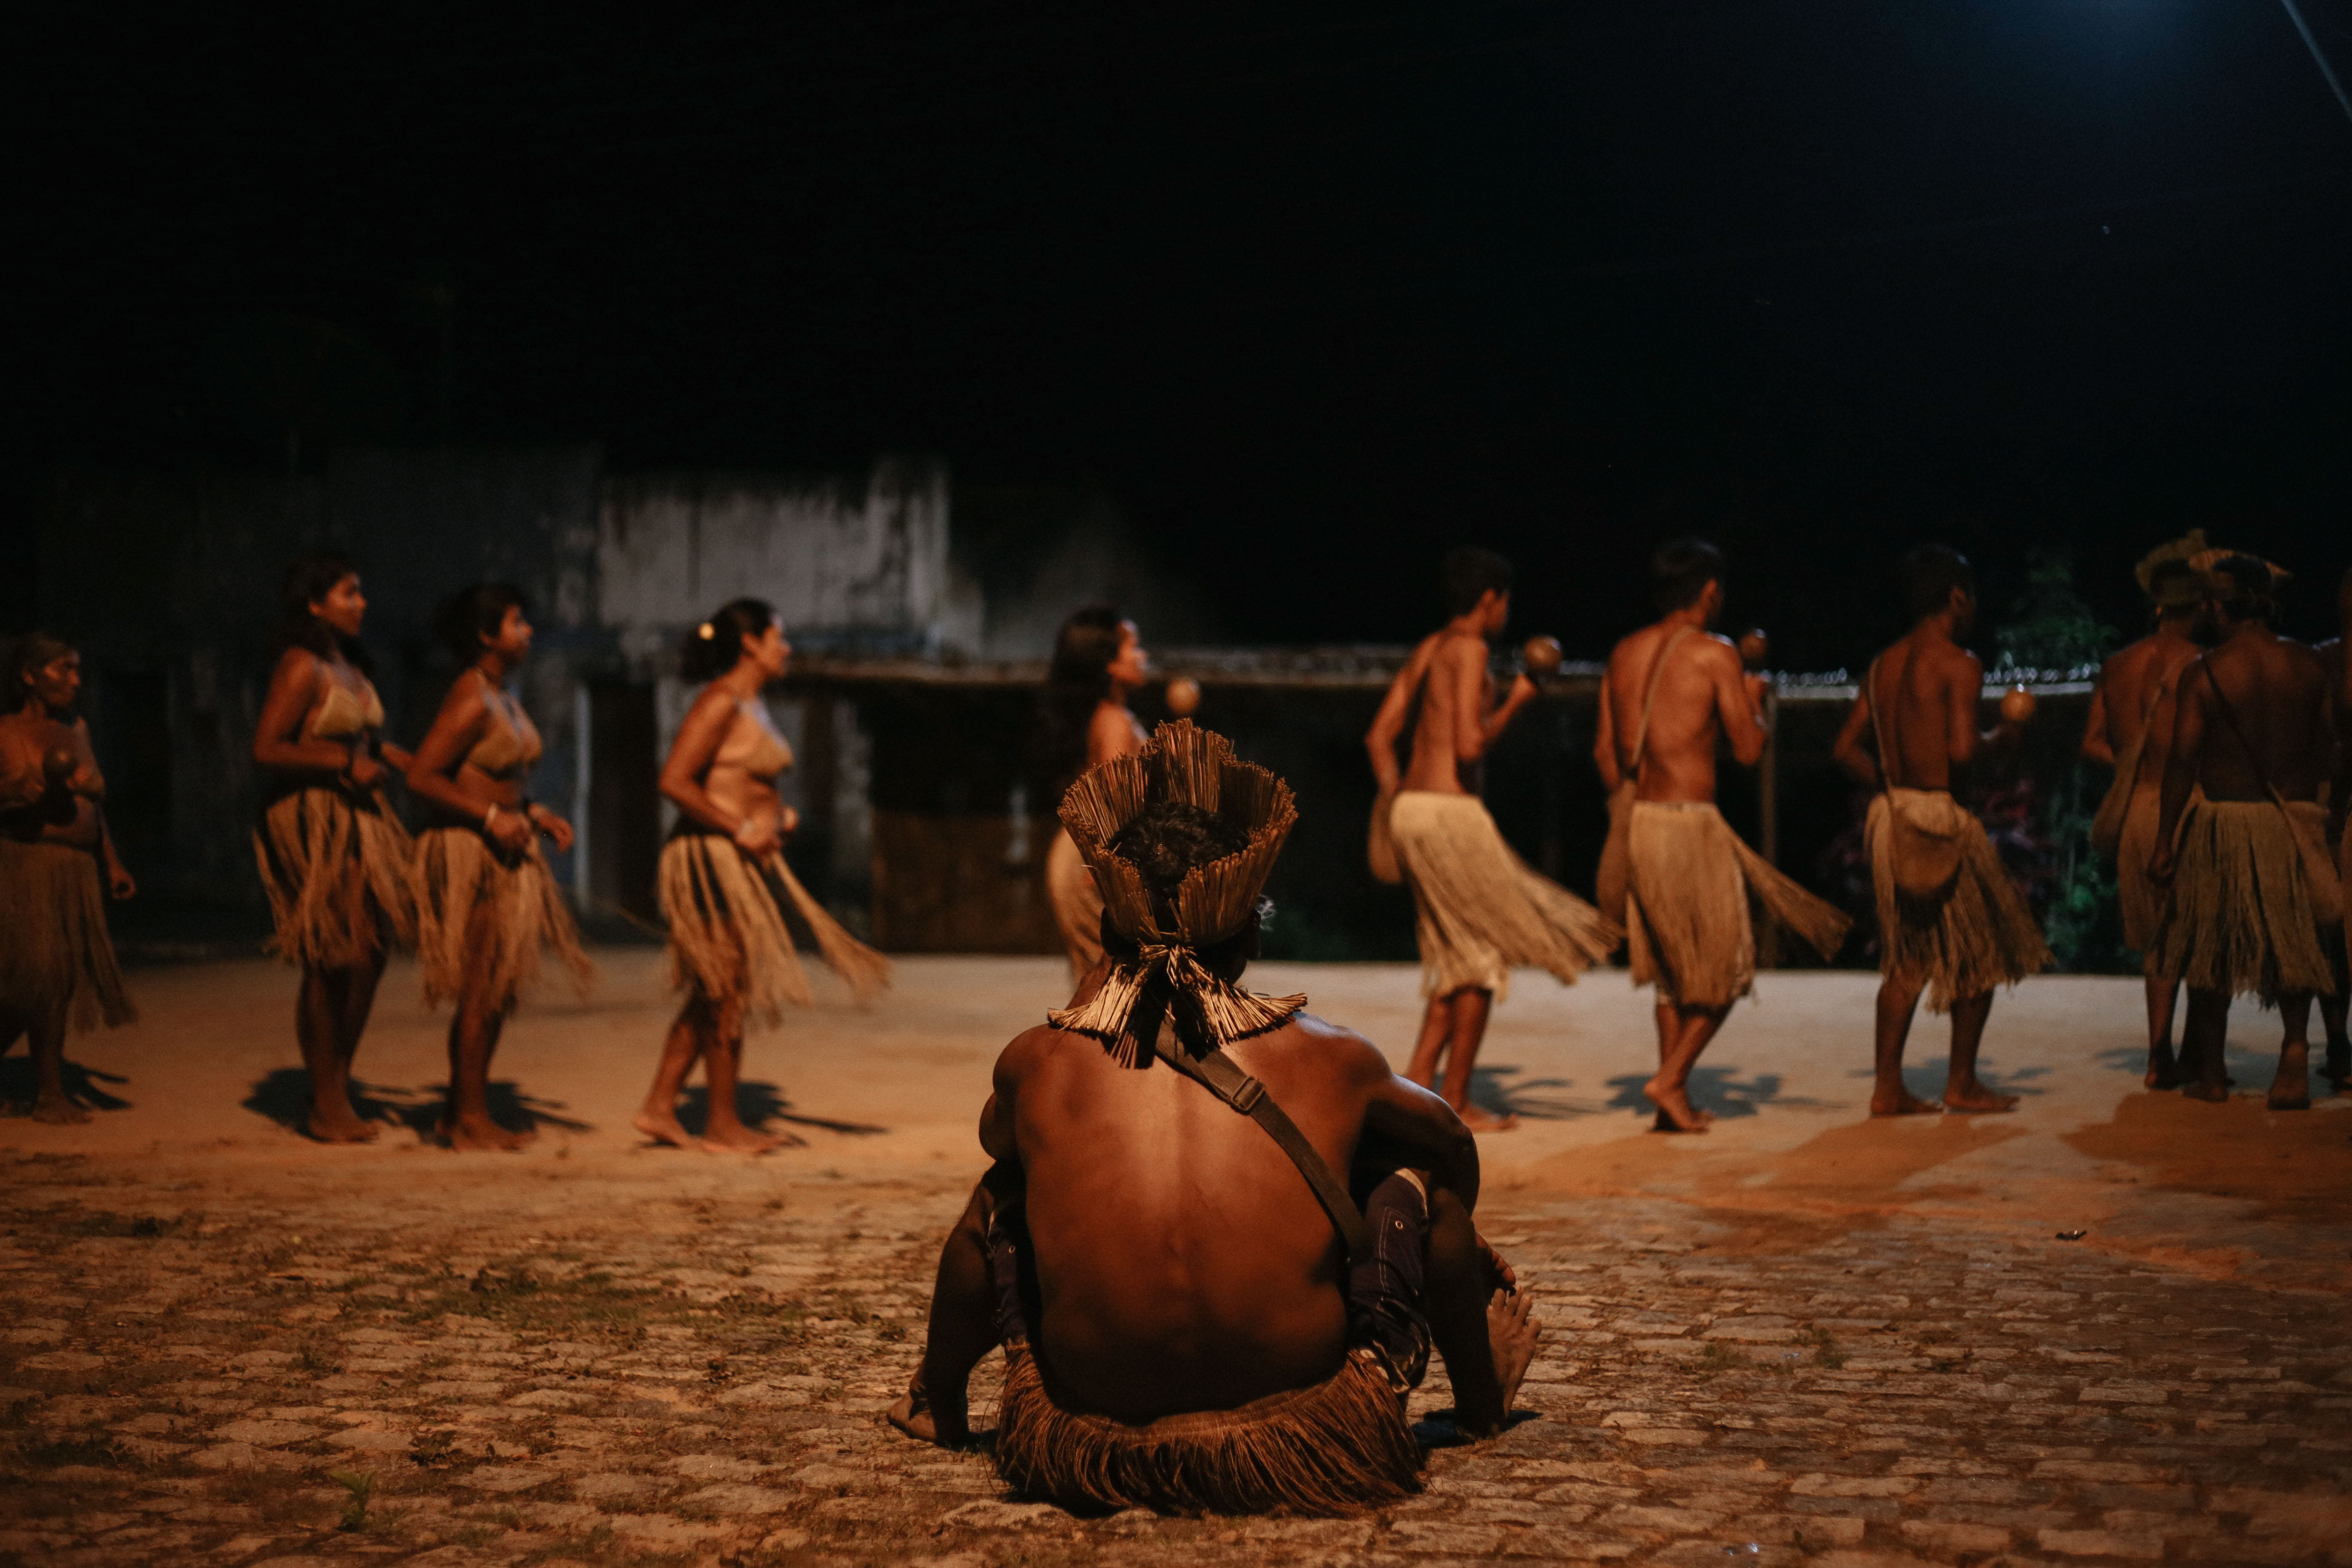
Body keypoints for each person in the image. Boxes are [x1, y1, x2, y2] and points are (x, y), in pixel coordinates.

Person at [887, 721, 1540, 1516]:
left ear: (1106, 929)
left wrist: (1101, 987)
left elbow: (999, 1138)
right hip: (1298, 1430)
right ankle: (1479, 1406)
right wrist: (1419, 1230)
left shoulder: (1037, 1061)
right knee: (1416, 1175)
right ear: (1248, 934)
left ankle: (937, 1401)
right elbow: (1454, 1150)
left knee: (1000, 1191)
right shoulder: (1335, 1058)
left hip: (1091, 1439)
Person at [1595, 541, 1851, 1133]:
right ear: (1709, 590)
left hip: (1641, 825)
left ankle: (1671, 1098)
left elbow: (1605, 751)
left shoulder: (1625, 653)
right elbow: (1748, 748)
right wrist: (1756, 702)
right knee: (1728, 967)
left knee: (1668, 969)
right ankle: (1670, 1079)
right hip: (1690, 826)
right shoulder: (1717, 654)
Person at [1364, 548, 1617, 1132]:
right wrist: (1519, 700)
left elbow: (1379, 737)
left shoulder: (1429, 649)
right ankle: (1456, 1101)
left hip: (1414, 810)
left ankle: (1414, 1090)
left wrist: (1398, 798)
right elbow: (1471, 745)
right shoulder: (1472, 648)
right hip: (1453, 814)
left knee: (1456, 957)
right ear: (1489, 600)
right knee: (1480, 961)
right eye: (1505, 601)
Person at [637, 599, 891, 1152]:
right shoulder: (721, 700)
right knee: (726, 989)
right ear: (751, 642)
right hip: (710, 856)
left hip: (740, 854)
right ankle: (723, 1124)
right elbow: (675, 781)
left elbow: (745, 780)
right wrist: (739, 826)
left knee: (716, 985)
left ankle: (661, 1106)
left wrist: (777, 817)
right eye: (780, 637)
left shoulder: (753, 706)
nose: (788, 648)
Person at [1832, 545, 2052, 1117]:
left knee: (1905, 957)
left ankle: (1887, 1088)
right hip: (1938, 818)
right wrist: (2003, 736)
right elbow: (1961, 751)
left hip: (1893, 816)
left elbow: (1844, 749)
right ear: (1957, 597)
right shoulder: (1960, 663)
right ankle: (1961, 1083)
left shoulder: (1882, 665)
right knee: (1979, 952)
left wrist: (1888, 781)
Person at [403, 584, 592, 1150]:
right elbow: (422, 777)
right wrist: (490, 817)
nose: (528, 631)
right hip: (472, 852)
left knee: (497, 989)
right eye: (516, 622)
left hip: (506, 845)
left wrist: (534, 811)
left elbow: (499, 776)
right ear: (486, 636)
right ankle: (469, 1119)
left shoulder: (502, 696)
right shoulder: (470, 698)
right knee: (481, 989)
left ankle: (459, 1110)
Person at [2147, 555, 2339, 1109]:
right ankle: (2296, 1051)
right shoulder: (2308, 664)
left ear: (2217, 606)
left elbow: (2182, 763)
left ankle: (2211, 1075)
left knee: (2212, 952)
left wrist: (2165, 842)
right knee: (2294, 947)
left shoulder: (2205, 672)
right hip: (2289, 821)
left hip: (2225, 823)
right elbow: (2331, 746)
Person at [250, 553, 416, 1142]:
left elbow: (355, 734)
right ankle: (323, 1100)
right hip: (314, 819)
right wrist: (343, 761)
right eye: (350, 593)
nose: (362, 603)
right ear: (314, 603)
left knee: (370, 955)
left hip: (361, 820)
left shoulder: (350, 666)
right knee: (333, 956)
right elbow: (266, 749)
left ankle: (336, 1084)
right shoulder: (300, 665)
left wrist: (385, 754)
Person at [2079, 548, 2210, 1088]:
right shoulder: (2203, 664)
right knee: (2201, 936)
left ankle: (2159, 1057)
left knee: (2158, 941)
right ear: (2199, 606)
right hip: (2190, 806)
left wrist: (2135, 764)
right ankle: (2200, 1053)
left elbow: (2090, 744)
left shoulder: (2118, 666)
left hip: (2137, 809)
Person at [0, 633, 136, 1121]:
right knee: (36, 979)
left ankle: (50, 1092)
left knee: (51, 982)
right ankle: (51, 1094)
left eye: (78, 670)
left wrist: (112, 862)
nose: (76, 681)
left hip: (76, 871)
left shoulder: (77, 728)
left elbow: (94, 805)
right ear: (29, 676)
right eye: (64, 669)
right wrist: (28, 795)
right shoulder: (5, 731)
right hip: (26, 867)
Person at [1037, 606, 1149, 982]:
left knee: (1104, 985)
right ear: (1109, 666)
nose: (1143, 656)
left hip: (1086, 854)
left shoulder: (1107, 715)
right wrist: (1104, 867)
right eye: (1133, 647)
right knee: (1110, 985)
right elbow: (1116, 799)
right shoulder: (1114, 721)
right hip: (1095, 858)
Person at [2316, 567, 2352, 1087]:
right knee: (2330, 932)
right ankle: (2338, 1044)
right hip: (2334, 810)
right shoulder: (2322, 660)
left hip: (2339, 808)